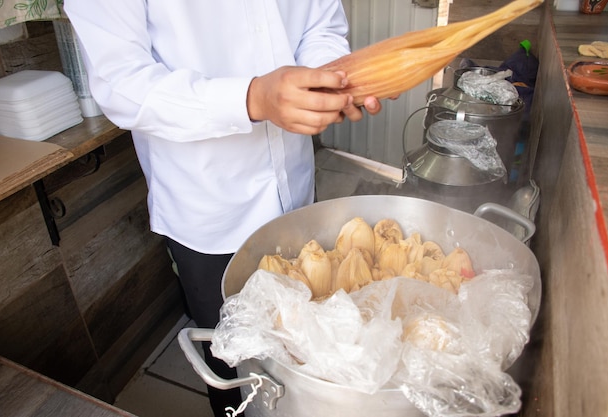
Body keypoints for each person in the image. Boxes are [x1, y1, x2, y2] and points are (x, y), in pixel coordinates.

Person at [63, 2, 385, 416]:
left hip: (295, 189)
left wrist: (329, 78)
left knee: (308, 341)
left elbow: (318, 24)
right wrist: (250, 98)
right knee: (232, 362)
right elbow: (121, 83)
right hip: (209, 207)